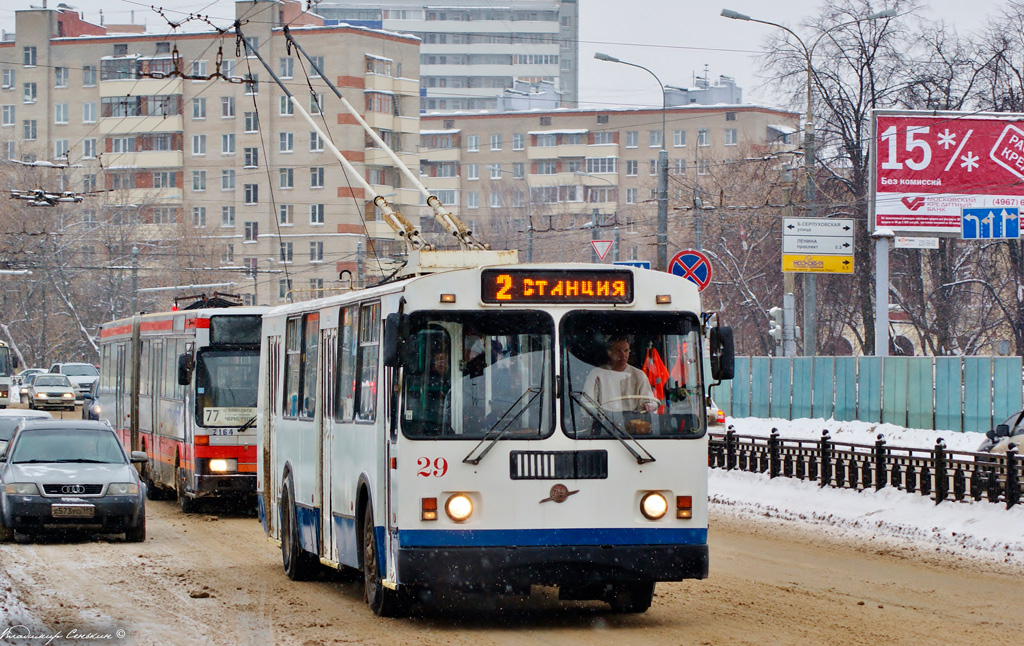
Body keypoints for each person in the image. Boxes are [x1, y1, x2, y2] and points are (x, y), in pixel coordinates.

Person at [582, 335, 659, 413]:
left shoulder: (639, 375)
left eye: (626, 351)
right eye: (619, 351)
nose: (623, 355)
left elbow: (650, 402)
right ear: (609, 353)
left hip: (634, 422)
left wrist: (649, 405)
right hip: (605, 421)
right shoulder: (596, 374)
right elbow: (586, 404)